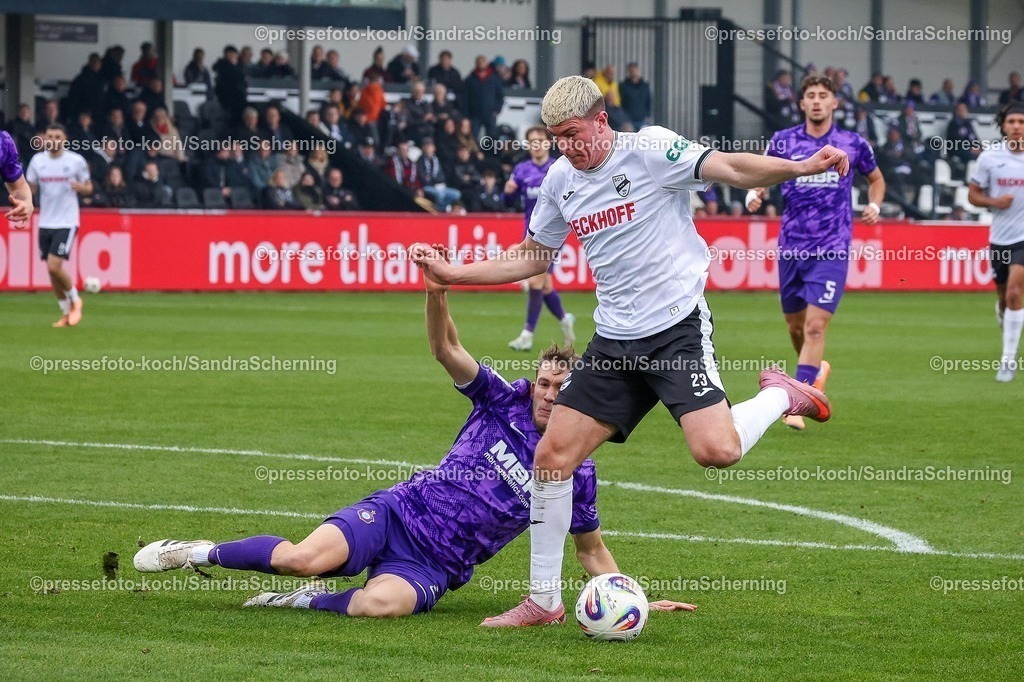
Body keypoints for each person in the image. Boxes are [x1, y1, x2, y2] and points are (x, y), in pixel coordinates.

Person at [412, 75, 844, 626]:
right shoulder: (560, 181)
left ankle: (782, 396)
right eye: (556, 137)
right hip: (614, 340)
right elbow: (533, 256)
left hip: (675, 331)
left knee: (717, 451)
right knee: (551, 458)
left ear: (601, 121)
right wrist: (455, 273)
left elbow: (733, 168)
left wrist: (801, 167)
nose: (566, 146)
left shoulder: (651, 151)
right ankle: (543, 602)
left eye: (573, 134)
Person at [134, 263, 695, 618]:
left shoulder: (578, 468)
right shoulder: (504, 398)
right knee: (304, 558)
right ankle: (195, 553)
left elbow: (590, 550)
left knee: (380, 606)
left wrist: (631, 593)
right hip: (401, 513)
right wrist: (438, 292)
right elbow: (446, 350)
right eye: (544, 383)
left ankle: (303, 603)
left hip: (437, 566)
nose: (547, 394)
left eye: (559, 388)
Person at [746, 74, 884, 430]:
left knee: (815, 327)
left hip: (833, 247)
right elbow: (762, 172)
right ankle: (815, 370)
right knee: (795, 327)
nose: (818, 101)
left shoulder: (853, 143)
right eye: (811, 95)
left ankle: (798, 401)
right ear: (802, 104)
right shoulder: (784, 140)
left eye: (824, 95)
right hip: (792, 246)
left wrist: (875, 204)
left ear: (835, 103)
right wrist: (756, 192)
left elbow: (877, 178)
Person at [504, 125, 575, 351]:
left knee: (534, 280)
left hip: (553, 235)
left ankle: (527, 334)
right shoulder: (521, 170)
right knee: (544, 287)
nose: (536, 145)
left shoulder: (558, 168)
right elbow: (507, 203)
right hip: (530, 233)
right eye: (532, 141)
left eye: (540, 140)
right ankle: (565, 320)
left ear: (548, 142)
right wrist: (508, 192)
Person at [968, 102, 1024, 382]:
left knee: (1015, 293)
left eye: (1021, 122)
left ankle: (1008, 362)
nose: (1017, 126)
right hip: (1000, 238)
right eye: (1012, 121)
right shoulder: (990, 157)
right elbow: (973, 195)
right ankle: (1006, 326)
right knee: (1004, 297)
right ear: (1003, 125)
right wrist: (994, 201)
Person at [25, 125, 91, 327]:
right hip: (45, 221)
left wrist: (82, 188)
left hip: (67, 221)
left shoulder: (75, 161)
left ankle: (76, 299)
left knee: (55, 265)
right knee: (51, 271)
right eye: (50, 136)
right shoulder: (38, 161)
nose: (53, 139)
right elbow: (31, 189)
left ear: (65, 139)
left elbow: (89, 188)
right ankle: (65, 312)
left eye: (57, 136)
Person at [619, 63, 652, 131]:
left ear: (638, 71)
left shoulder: (645, 86)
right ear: (628, 72)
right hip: (628, 121)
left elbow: (648, 101)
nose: (633, 73)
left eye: (635, 70)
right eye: (631, 71)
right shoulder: (623, 86)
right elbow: (620, 103)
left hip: (642, 120)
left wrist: (648, 115)